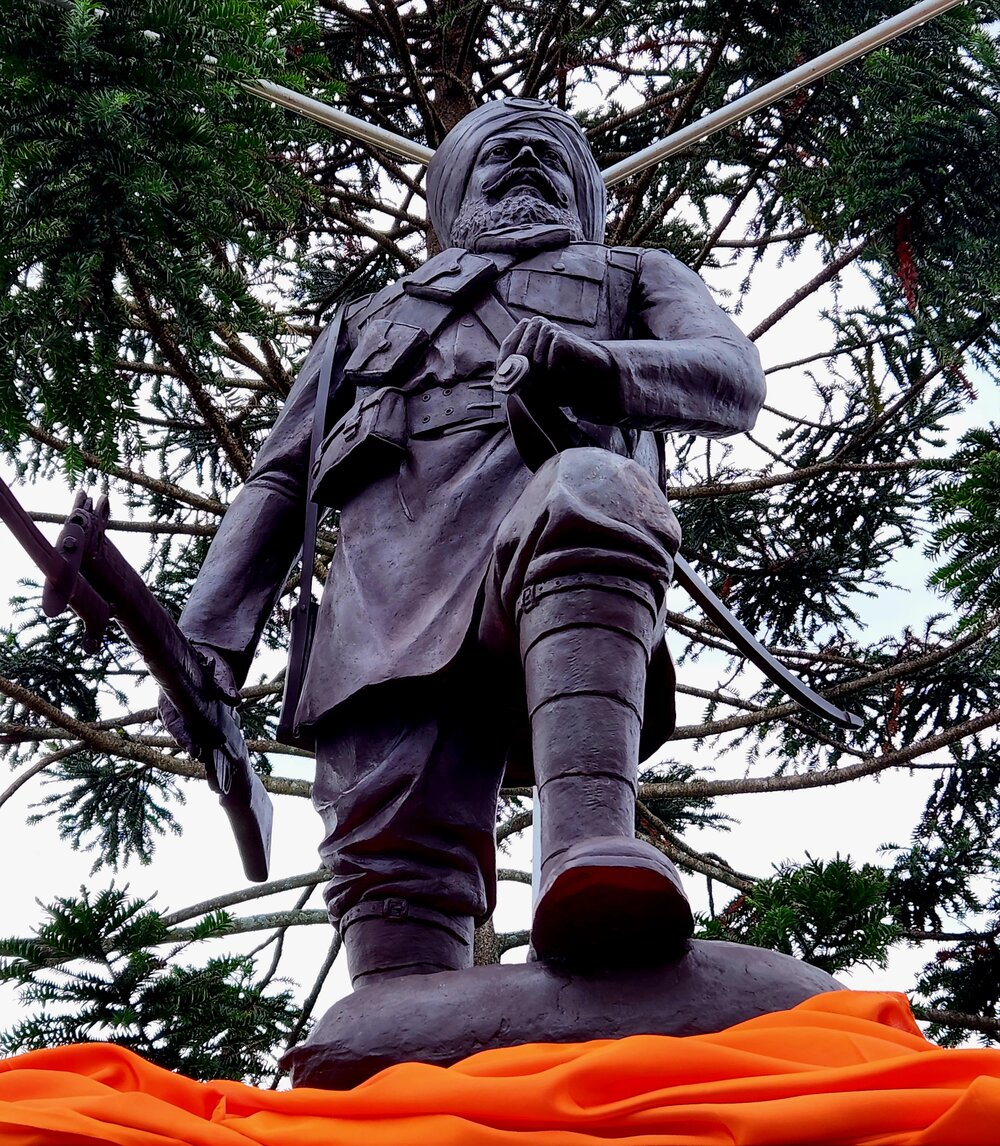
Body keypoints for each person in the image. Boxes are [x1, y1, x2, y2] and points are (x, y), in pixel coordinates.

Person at [161, 98, 766, 989]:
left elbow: (731, 378)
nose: (524, 155)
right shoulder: (364, 323)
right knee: (395, 916)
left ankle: (591, 847)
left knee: (591, 487)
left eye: (550, 152)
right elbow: (280, 477)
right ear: (453, 189)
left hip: (557, 550)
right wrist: (209, 637)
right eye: (497, 150)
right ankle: (399, 1027)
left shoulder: (634, 273)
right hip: (384, 602)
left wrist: (599, 367)